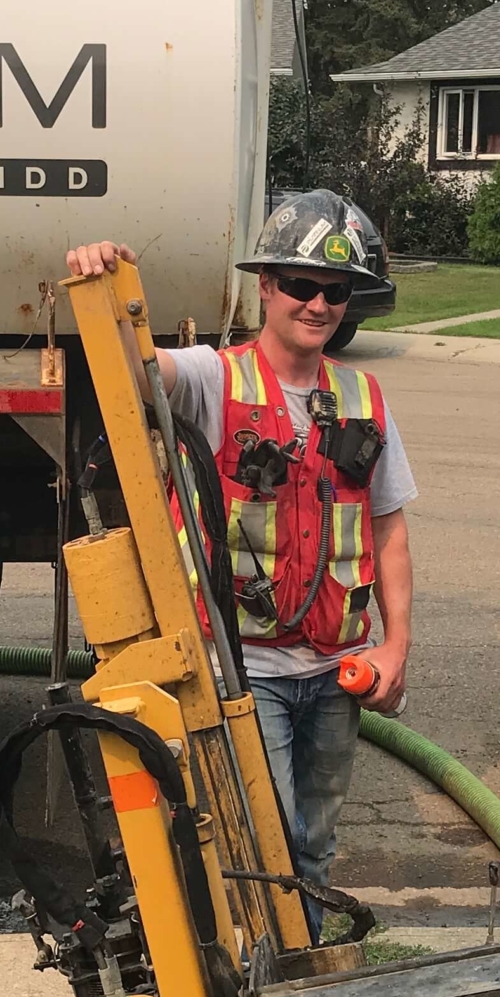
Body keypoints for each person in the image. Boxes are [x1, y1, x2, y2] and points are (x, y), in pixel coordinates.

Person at [66, 193, 416, 932]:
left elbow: (388, 530)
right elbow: (135, 373)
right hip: (244, 669)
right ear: (265, 287)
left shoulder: (363, 395)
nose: (317, 304)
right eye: (300, 285)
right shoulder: (212, 378)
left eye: (335, 291)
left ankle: (306, 974)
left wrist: (395, 646)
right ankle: (266, 980)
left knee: (313, 847)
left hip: (336, 670)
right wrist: (105, 287)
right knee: (267, 842)